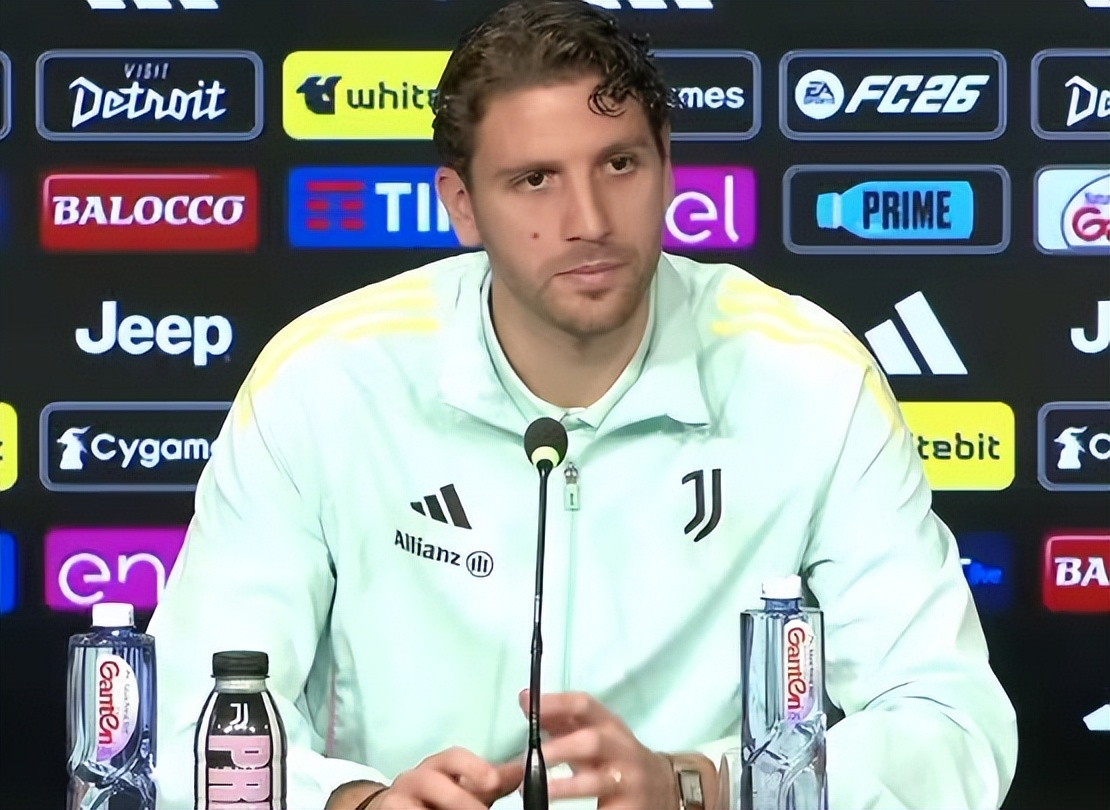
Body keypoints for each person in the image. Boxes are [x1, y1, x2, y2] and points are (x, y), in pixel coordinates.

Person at [147, 2, 1019, 808]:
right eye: (535, 180)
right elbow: (186, 719)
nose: (589, 219)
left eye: (619, 164)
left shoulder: (810, 381)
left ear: (666, 165)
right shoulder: (324, 382)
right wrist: (356, 803)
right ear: (462, 206)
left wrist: (702, 787)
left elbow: (951, 724)